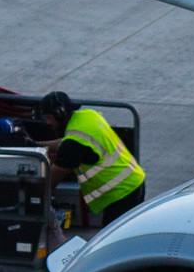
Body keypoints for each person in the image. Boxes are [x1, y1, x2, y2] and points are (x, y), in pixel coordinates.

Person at [33, 90, 145, 232]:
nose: (48, 123)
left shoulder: (73, 143)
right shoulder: (88, 117)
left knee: (110, 242)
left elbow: (50, 182)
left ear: (60, 114)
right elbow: (67, 141)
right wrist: (37, 145)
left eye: (49, 118)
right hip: (134, 181)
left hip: (121, 194)